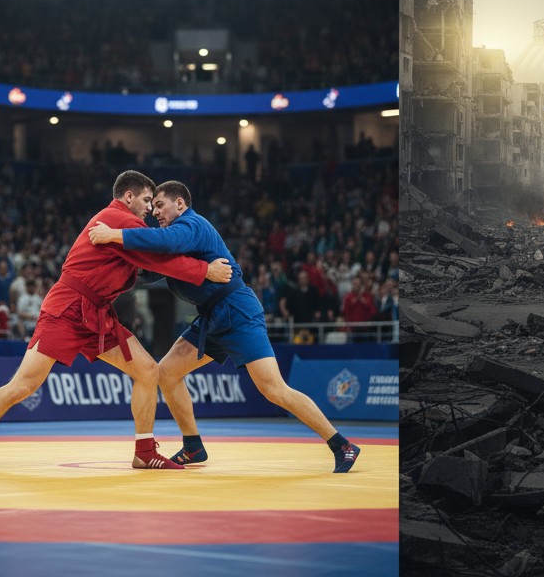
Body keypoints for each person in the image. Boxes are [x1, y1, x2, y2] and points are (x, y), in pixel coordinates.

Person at [0, 170, 234, 472]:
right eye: (147, 200)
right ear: (128, 197)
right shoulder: (119, 219)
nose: (150, 209)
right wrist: (203, 271)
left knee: (147, 370)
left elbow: (149, 268)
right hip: (67, 309)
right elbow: (160, 258)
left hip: (97, 312)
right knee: (24, 385)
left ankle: (145, 451)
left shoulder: (122, 224)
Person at [89, 180, 361, 473]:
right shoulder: (176, 240)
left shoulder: (192, 225)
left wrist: (114, 235)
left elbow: (163, 243)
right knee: (166, 373)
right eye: (152, 206)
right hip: (212, 317)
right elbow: (148, 270)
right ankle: (193, 446)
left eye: (159, 204)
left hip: (237, 312)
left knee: (273, 388)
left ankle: (341, 444)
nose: (155, 212)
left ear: (180, 204)